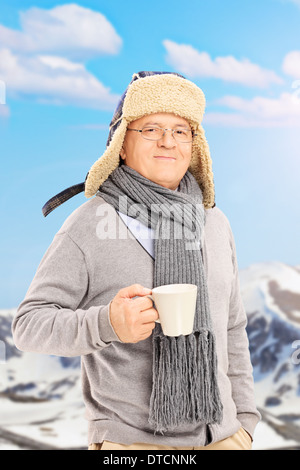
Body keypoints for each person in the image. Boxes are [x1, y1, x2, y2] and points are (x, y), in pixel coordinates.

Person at [12, 71, 260, 450]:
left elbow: (232, 326)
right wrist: (107, 323)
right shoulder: (90, 223)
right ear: (121, 145)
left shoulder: (214, 221)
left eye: (181, 130)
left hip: (224, 438)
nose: (167, 141)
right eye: (151, 129)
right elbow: (28, 325)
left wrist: (244, 422)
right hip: (133, 446)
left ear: (195, 145)